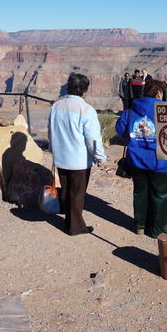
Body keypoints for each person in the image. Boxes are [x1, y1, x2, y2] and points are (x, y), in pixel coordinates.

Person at [115, 79, 167, 238]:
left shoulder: (131, 110)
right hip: (161, 162)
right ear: (159, 93)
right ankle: (156, 229)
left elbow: (120, 129)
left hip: (136, 161)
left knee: (140, 193)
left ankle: (140, 225)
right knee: (161, 195)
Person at [48, 73, 107, 236]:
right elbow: (93, 139)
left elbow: (50, 131)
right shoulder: (86, 110)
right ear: (84, 91)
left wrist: (53, 150)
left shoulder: (56, 107)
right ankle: (75, 227)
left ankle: (69, 220)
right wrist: (100, 157)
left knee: (66, 191)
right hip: (79, 160)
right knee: (77, 194)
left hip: (60, 157)